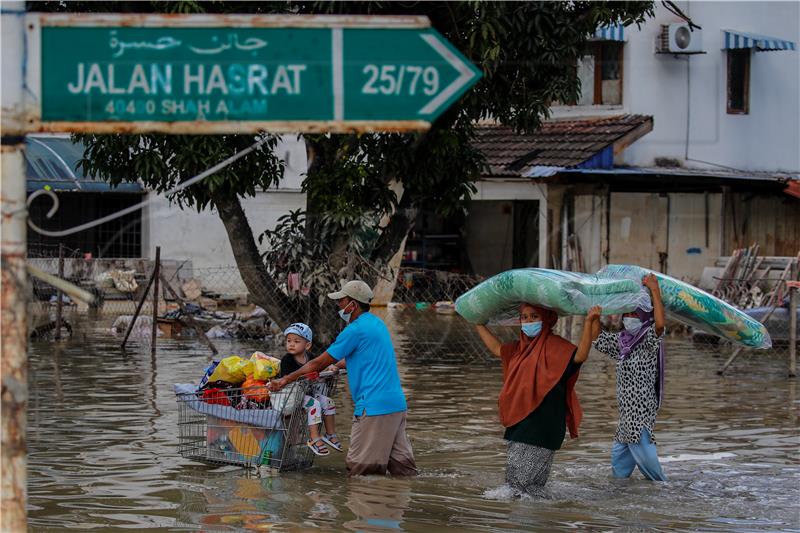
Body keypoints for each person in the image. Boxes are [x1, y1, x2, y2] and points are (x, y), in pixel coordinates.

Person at [269, 280, 417, 476]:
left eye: (341, 301)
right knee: (404, 472)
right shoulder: (377, 324)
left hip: (373, 408)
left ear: (353, 305)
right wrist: (336, 365)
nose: (338, 305)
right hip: (396, 405)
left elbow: (317, 363)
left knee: (360, 472)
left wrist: (285, 380)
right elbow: (360, 358)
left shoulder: (354, 330)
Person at [475, 303, 600, 496]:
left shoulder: (558, 347)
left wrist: (589, 321)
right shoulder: (518, 349)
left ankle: (533, 521)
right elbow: (496, 348)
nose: (528, 321)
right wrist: (478, 324)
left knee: (522, 489)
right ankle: (541, 520)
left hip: (544, 427)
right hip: (519, 425)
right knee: (519, 487)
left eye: (534, 317)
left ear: (546, 319)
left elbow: (581, 355)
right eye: (524, 318)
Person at [590, 273, 667, 481]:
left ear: (643, 316)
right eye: (627, 314)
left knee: (654, 474)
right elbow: (597, 339)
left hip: (640, 418)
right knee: (618, 474)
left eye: (635, 314)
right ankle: (619, 502)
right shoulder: (622, 342)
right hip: (625, 420)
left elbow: (659, 326)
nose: (630, 318)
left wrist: (655, 290)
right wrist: (595, 316)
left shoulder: (648, 340)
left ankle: (668, 497)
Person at [279, 322, 342, 456]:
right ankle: (314, 438)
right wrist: (307, 377)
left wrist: (330, 368)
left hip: (308, 394)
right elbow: (287, 379)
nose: (291, 344)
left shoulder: (311, 358)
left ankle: (330, 434)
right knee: (314, 405)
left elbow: (320, 367)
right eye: (289, 341)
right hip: (293, 396)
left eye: (296, 341)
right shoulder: (287, 360)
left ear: (307, 345)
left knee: (328, 402)